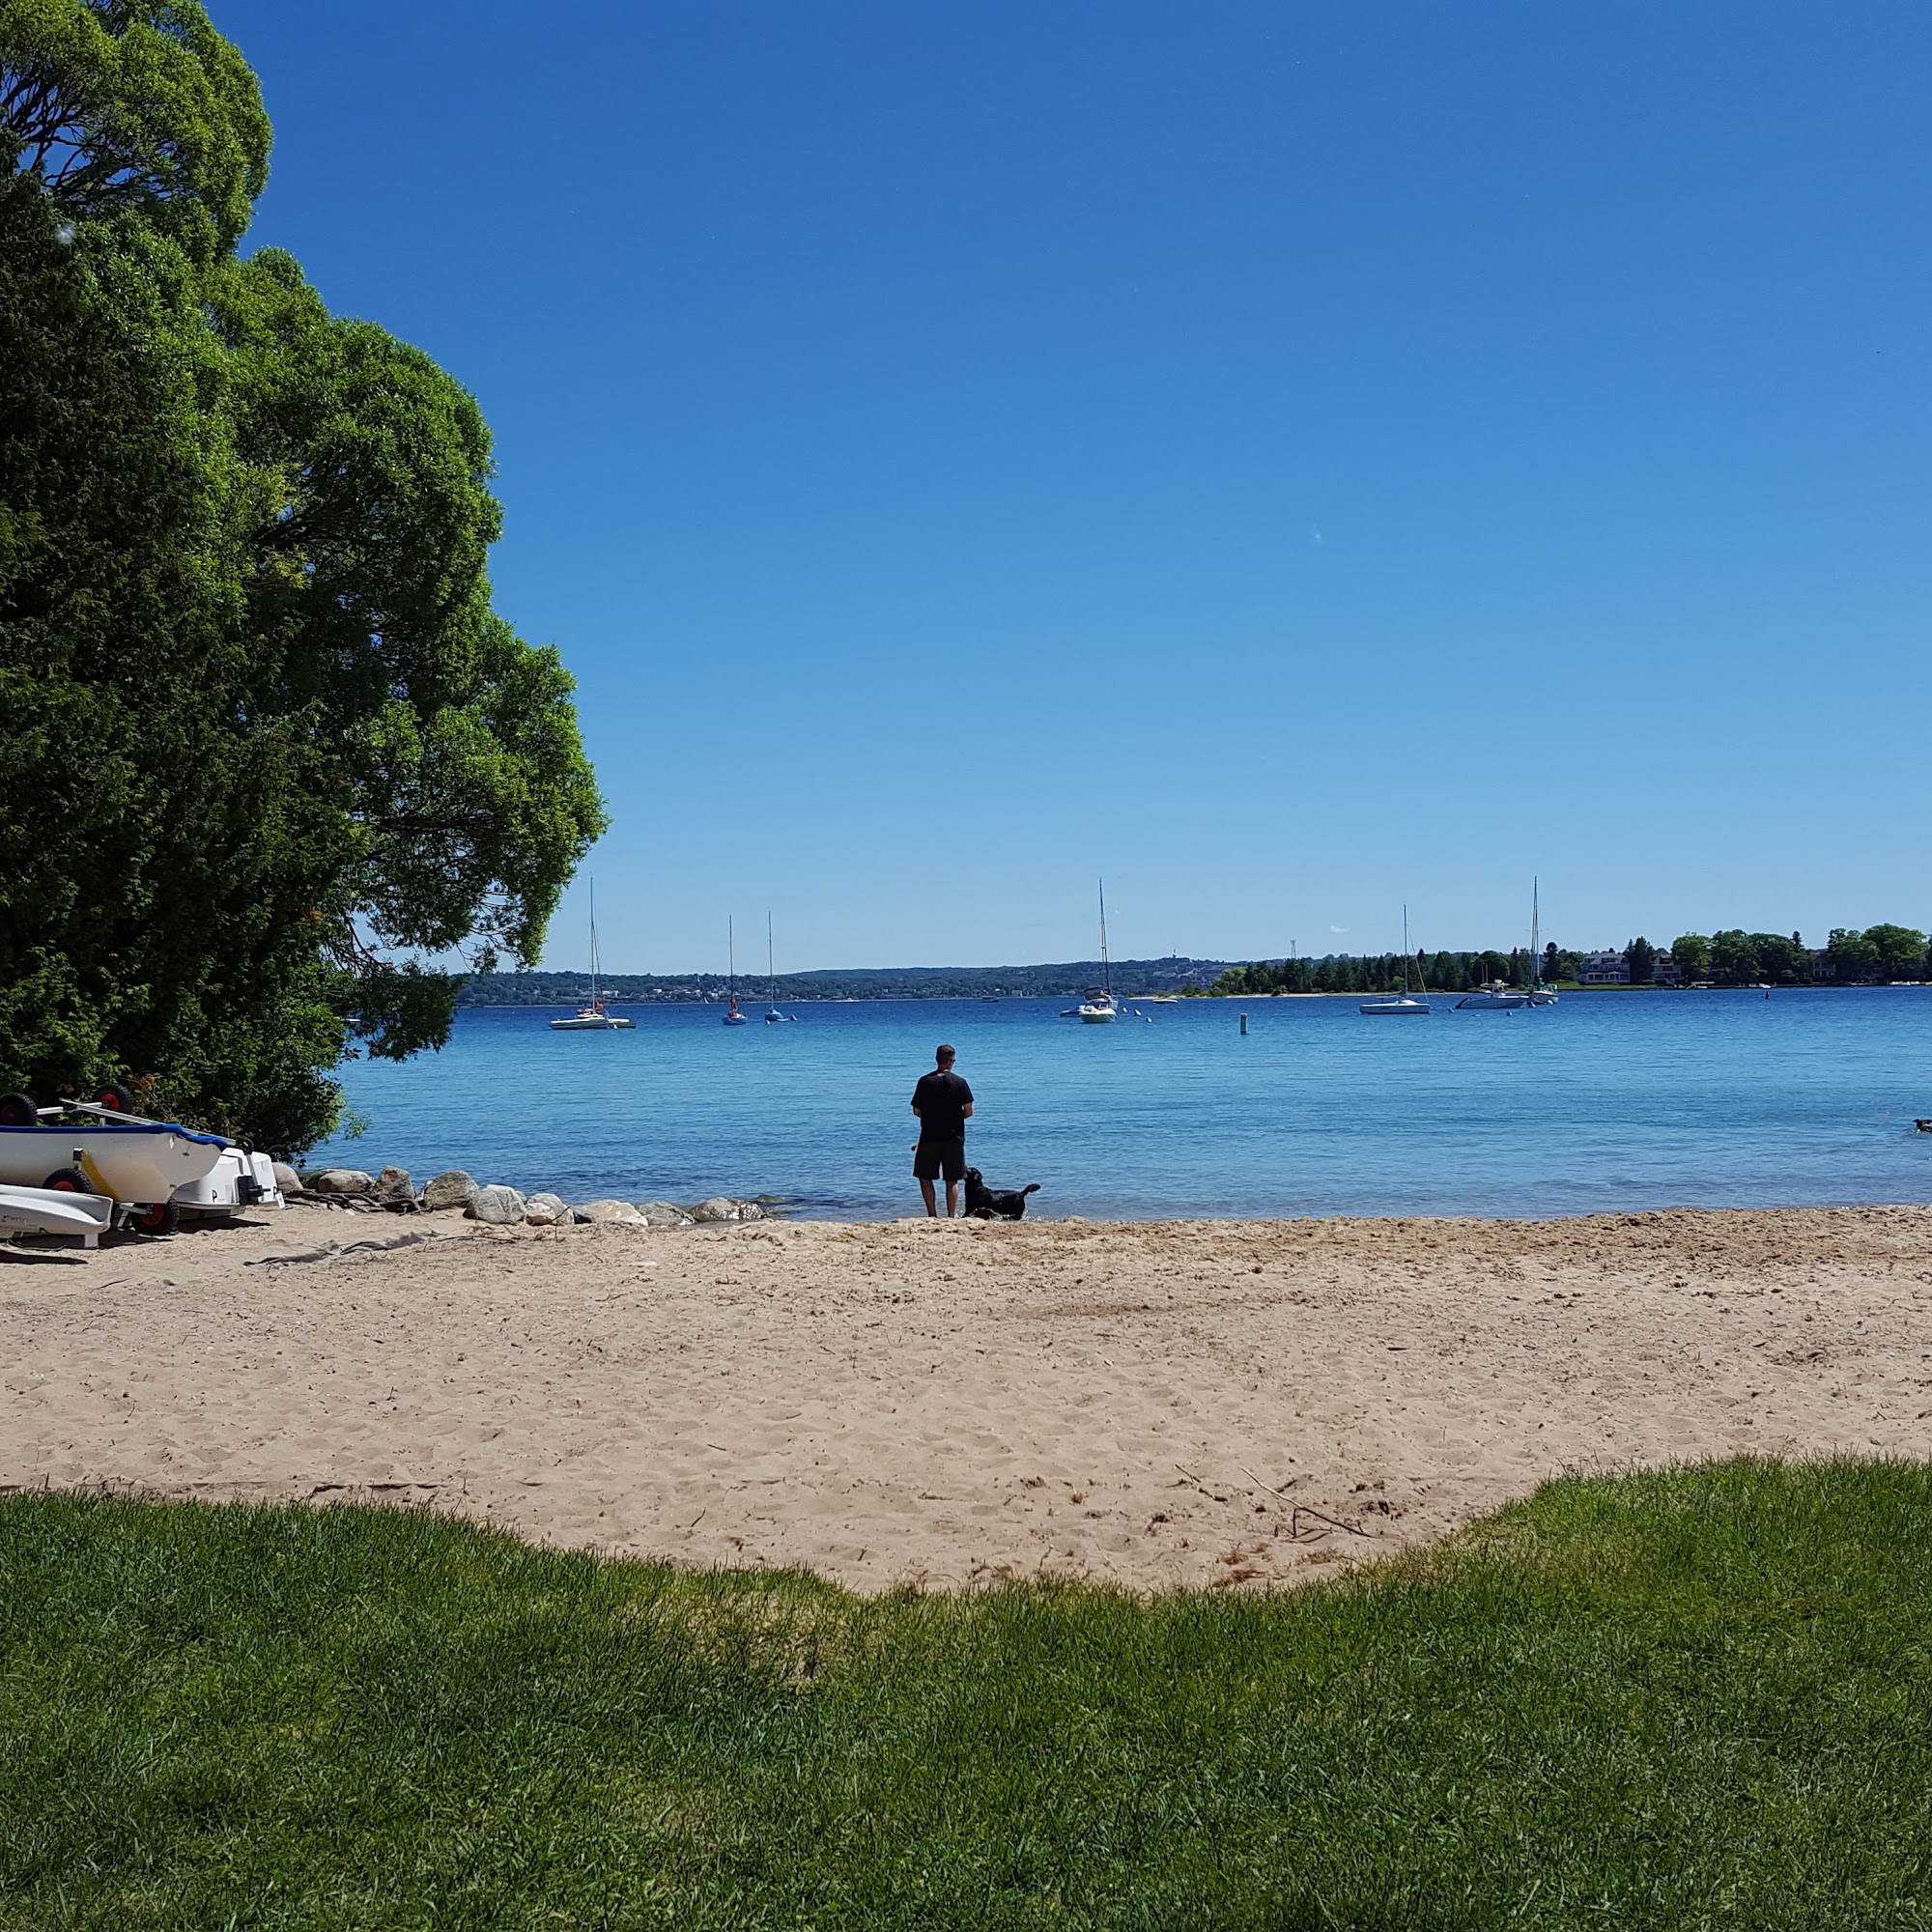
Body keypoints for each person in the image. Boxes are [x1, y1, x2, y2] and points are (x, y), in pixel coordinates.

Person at [910, 1043, 974, 1218]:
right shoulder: (960, 1082)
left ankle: (932, 1215)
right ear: (952, 1061)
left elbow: (916, 1111)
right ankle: (951, 1216)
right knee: (952, 1179)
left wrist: (931, 1116)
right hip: (954, 1136)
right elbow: (968, 1111)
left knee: (925, 1177)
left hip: (929, 1136)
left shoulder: (924, 1082)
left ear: (937, 1059)